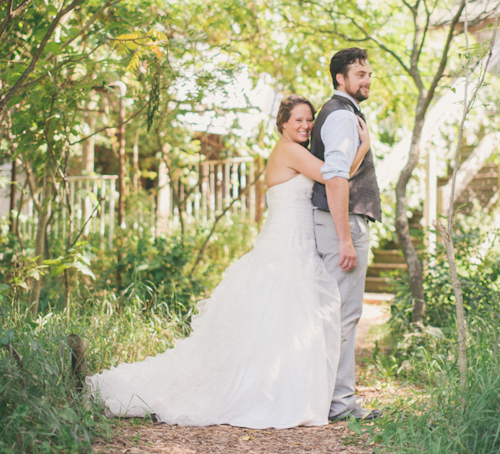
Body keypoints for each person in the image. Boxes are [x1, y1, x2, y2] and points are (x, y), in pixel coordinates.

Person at [87, 95, 370, 429]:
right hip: (285, 245)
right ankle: (268, 394)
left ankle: (280, 389)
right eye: (298, 120)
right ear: (282, 124)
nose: (306, 125)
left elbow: (333, 174)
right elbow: (334, 175)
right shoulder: (290, 150)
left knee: (282, 322)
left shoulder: (296, 149)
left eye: (309, 120)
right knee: (280, 316)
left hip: (298, 243)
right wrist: (363, 147)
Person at [310, 48, 382, 422]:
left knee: (335, 315)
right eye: (359, 73)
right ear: (341, 78)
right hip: (343, 223)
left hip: (338, 221)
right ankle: (340, 404)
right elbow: (335, 177)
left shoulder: (341, 112)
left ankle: (330, 398)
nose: (366, 79)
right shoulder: (340, 116)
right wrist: (344, 238)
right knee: (344, 315)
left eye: (368, 73)